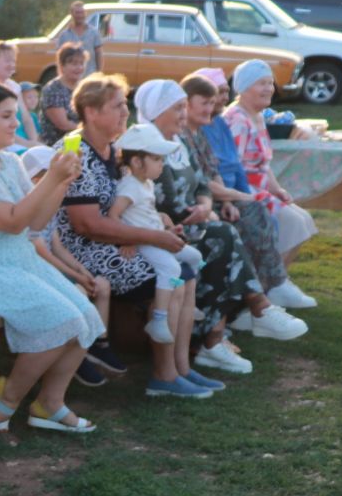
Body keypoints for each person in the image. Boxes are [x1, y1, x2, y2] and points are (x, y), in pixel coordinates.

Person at [0, 81, 103, 433]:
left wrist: (60, 183)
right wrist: (50, 178)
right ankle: (5, 396)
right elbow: (11, 223)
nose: (16, 123)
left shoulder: (9, 162)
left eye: (15, 115)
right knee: (62, 321)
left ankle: (49, 404)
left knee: (85, 317)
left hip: (16, 262)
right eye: (7, 116)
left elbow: (35, 222)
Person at [49, 75, 222, 394]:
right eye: (116, 107)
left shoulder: (114, 149)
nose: (125, 114)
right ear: (90, 111)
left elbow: (131, 199)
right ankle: (164, 375)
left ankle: (180, 368)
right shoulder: (75, 151)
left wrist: (159, 221)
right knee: (176, 276)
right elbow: (85, 225)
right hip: (81, 250)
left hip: (119, 239)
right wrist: (153, 237)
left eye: (124, 107)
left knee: (184, 275)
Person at [176, 73, 311, 310]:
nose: (217, 102)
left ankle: (270, 289)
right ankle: (257, 300)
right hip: (196, 205)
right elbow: (202, 182)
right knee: (248, 216)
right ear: (186, 104)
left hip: (218, 198)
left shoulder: (205, 127)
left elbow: (217, 170)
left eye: (219, 95)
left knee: (258, 210)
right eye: (207, 101)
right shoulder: (187, 134)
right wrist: (239, 196)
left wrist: (231, 200)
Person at [107, 132, 203, 348]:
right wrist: (126, 239)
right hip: (144, 241)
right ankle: (158, 320)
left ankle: (189, 298)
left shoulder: (146, 183)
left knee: (194, 256)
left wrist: (164, 222)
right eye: (157, 159)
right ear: (137, 162)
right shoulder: (130, 186)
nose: (162, 164)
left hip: (157, 236)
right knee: (170, 268)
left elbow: (143, 212)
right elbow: (114, 215)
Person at [223, 61, 318, 260]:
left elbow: (262, 165)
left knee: (305, 221)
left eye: (270, 83)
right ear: (244, 88)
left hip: (261, 189)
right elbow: (232, 168)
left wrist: (277, 189)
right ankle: (271, 282)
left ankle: (279, 279)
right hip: (244, 192)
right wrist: (238, 199)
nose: (269, 89)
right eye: (261, 84)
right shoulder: (237, 120)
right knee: (294, 224)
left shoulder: (257, 116)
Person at [0, 41, 41, 144]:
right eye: (7, 61)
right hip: (0, 143)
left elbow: (26, 118)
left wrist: (34, 141)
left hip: (22, 141)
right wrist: (27, 144)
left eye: (14, 61)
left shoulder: (14, 86)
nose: (12, 65)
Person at [36, 42, 87, 145]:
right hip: (57, 143)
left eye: (81, 63)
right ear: (62, 65)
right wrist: (90, 132)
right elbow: (63, 125)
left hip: (81, 138)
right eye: (74, 64)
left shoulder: (84, 88)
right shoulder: (53, 89)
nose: (79, 67)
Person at [53, 0, 103, 69]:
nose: (80, 15)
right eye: (77, 13)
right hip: (71, 76)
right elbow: (59, 58)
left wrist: (99, 72)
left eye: (82, 12)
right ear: (71, 14)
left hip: (90, 76)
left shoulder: (94, 32)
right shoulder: (64, 35)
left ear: (85, 13)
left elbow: (99, 53)